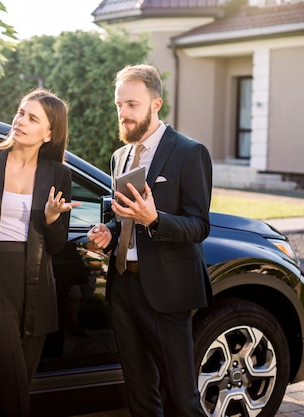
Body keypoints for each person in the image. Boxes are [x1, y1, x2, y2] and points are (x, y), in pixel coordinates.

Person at [87, 64, 213, 417]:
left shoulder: (190, 152)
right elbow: (121, 216)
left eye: (132, 105)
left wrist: (155, 220)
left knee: (181, 400)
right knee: (140, 397)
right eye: (119, 105)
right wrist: (109, 232)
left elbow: (199, 226)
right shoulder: (119, 156)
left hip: (168, 293)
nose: (123, 114)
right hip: (124, 287)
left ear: (155, 104)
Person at [0, 88, 81, 417]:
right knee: (12, 384)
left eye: (32, 118)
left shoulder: (59, 174)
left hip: (36, 285)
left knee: (16, 386)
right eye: (19, 113)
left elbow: (56, 245)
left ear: (49, 133)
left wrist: (49, 219)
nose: (20, 121)